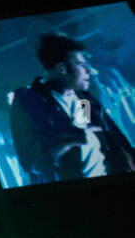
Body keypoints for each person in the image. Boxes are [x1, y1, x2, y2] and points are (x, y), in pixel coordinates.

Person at [9, 33, 135, 184]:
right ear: (62, 68)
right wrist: (70, 140)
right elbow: (31, 162)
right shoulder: (28, 101)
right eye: (81, 65)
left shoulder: (84, 98)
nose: (88, 71)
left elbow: (89, 130)